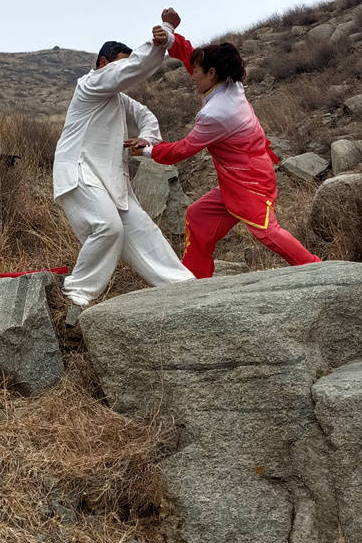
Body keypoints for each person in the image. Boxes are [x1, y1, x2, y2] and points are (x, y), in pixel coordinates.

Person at [125, 33, 321, 278]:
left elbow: (183, 150)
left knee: (266, 231)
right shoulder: (230, 82)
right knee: (198, 216)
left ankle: (316, 268)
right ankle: (195, 279)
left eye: (197, 71)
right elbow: (195, 60)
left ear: (212, 73)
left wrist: (146, 150)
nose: (192, 75)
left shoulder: (216, 114)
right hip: (240, 177)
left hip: (249, 180)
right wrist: (170, 37)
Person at [53, 18, 193, 320]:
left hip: (111, 179)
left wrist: (147, 138)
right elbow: (131, 70)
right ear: (103, 63)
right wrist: (163, 37)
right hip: (79, 170)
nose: (124, 72)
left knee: (144, 231)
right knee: (108, 227)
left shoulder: (118, 99)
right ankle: (76, 293)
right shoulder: (90, 84)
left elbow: (146, 116)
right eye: (120, 65)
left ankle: (184, 287)